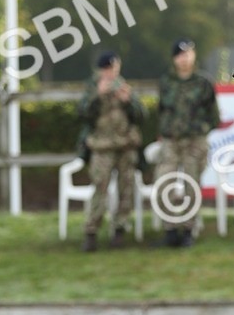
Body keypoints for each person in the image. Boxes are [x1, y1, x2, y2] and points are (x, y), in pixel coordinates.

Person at [155, 38, 221, 248]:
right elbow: (161, 112)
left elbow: (214, 116)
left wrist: (200, 131)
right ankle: (171, 230)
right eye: (181, 55)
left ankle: (188, 230)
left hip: (194, 142)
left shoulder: (203, 82)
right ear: (175, 59)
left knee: (191, 184)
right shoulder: (166, 82)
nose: (185, 59)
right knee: (165, 182)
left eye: (189, 54)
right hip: (171, 142)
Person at [77, 50, 145, 252]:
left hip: (125, 146)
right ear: (100, 70)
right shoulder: (91, 88)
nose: (111, 73)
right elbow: (82, 115)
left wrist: (129, 101)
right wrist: (97, 95)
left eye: (114, 68)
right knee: (100, 188)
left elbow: (142, 116)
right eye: (107, 69)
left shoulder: (124, 87)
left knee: (127, 188)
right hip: (102, 147)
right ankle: (91, 232)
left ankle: (120, 230)